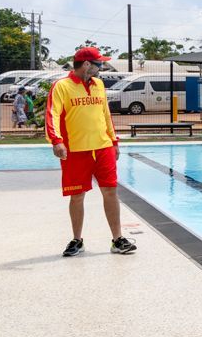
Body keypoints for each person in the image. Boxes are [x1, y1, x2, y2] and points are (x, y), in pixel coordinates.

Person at [46, 46, 136, 258]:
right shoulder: (61, 86)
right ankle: (77, 240)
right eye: (99, 64)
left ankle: (117, 239)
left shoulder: (99, 85)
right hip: (76, 150)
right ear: (87, 65)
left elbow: (106, 115)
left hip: (103, 147)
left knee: (110, 191)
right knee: (77, 196)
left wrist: (114, 141)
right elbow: (52, 114)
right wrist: (56, 141)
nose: (101, 68)